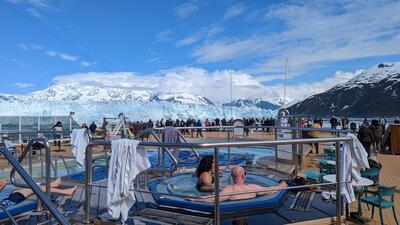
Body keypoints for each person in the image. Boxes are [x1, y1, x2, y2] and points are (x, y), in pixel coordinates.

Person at [189, 166, 287, 203]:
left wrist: (195, 199)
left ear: (231, 177)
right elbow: (271, 190)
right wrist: (282, 185)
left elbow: (213, 199)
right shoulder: (252, 187)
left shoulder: (230, 189)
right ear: (244, 176)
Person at [0, 178, 76, 207]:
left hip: (5, 202)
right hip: (7, 203)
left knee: (16, 190)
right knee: (33, 188)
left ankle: (52, 184)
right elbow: (3, 182)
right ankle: (66, 191)